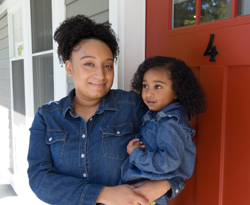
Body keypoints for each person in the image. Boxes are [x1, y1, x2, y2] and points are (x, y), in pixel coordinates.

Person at [27, 15, 185, 205]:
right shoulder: (47, 117)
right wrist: (103, 194)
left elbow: (177, 145)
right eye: (89, 64)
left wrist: (167, 183)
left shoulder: (135, 106)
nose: (101, 75)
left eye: (108, 65)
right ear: (69, 67)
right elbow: (39, 179)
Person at [120, 56, 206, 205]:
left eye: (158, 86)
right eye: (145, 86)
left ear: (176, 92)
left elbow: (168, 162)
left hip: (146, 194)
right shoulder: (158, 115)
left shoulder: (169, 123)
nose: (148, 93)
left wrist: (136, 155)